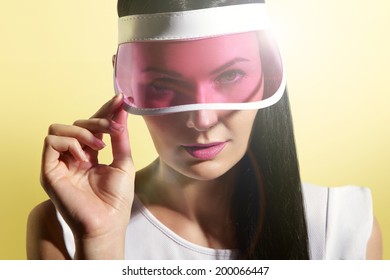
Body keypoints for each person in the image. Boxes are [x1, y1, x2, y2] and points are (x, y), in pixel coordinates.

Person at [26, 0, 382, 260]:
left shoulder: (342, 226)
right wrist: (100, 243)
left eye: (230, 76)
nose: (202, 120)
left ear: (268, 76)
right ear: (126, 84)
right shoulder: (64, 227)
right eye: (164, 83)